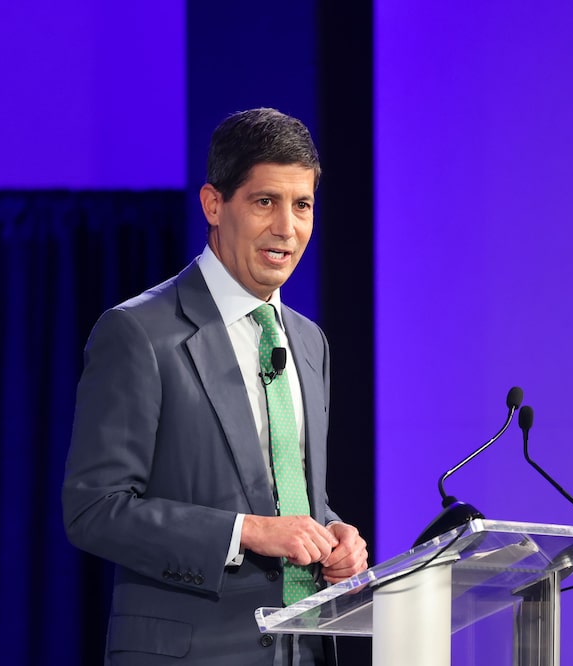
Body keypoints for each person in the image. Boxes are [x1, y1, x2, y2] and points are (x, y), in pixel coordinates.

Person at [62, 107, 368, 665]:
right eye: (264, 202)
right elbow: (94, 509)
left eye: (302, 205)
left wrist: (333, 534)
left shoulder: (308, 340)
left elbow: (291, 493)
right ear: (213, 204)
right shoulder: (138, 332)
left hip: (305, 651)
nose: (287, 227)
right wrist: (246, 532)